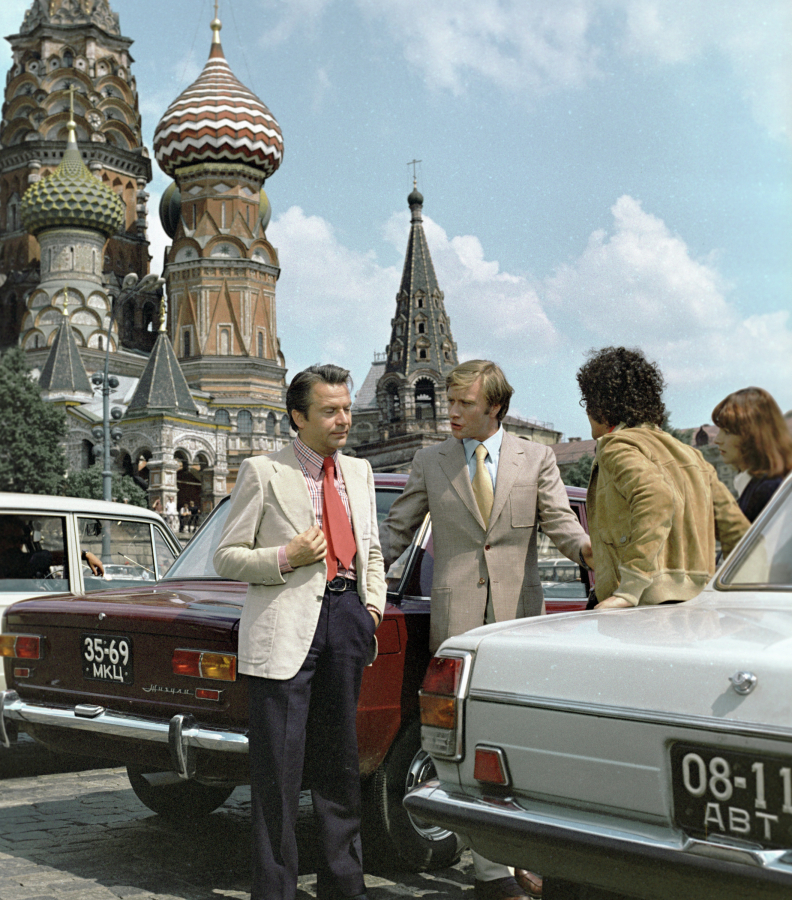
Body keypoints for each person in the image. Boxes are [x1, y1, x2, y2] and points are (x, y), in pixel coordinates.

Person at [380, 359, 592, 900]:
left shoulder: (536, 458)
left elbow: (562, 524)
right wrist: (353, 576)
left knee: (521, 741)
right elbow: (396, 530)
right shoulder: (430, 460)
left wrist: (594, 554)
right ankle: (492, 874)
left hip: (519, 624)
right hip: (457, 629)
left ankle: (527, 857)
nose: (450, 412)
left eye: (464, 403)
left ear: (495, 407)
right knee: (470, 746)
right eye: (449, 401)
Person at [213, 364, 386, 900]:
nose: (344, 420)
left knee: (341, 764)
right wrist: (286, 556)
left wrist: (371, 610)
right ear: (298, 416)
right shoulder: (263, 471)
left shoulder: (359, 471)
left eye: (346, 409)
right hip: (286, 630)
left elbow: (372, 549)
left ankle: (344, 884)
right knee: (278, 772)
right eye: (330, 411)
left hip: (347, 620)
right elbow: (226, 556)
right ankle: (275, 890)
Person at [576, 346, 749, 610]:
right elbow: (738, 531)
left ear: (599, 405)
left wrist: (629, 589)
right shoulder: (691, 455)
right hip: (698, 608)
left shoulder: (616, 446)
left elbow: (656, 498)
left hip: (642, 610)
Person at [712, 387, 792, 522]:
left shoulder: (768, 490)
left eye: (727, 432)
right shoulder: (756, 486)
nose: (717, 440)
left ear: (753, 436)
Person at [0, 516, 104, 578]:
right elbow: (44, 557)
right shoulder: (10, 560)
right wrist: (84, 554)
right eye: (12, 539)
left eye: (21, 540)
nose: (18, 545)